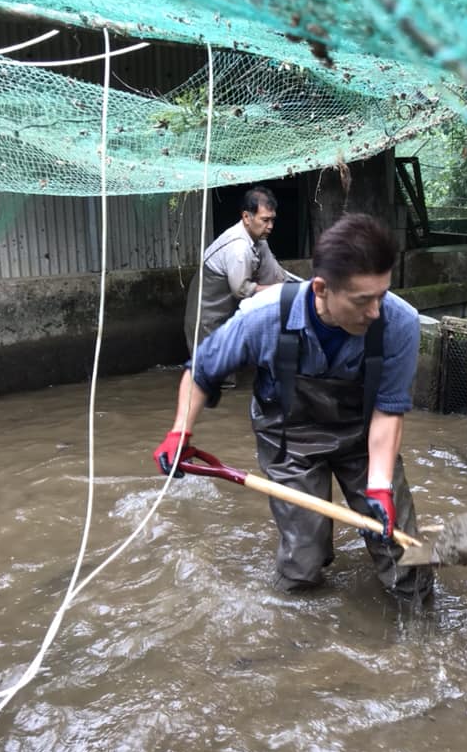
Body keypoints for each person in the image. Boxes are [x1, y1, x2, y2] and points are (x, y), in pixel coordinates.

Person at [154, 212, 434, 604]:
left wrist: (380, 487)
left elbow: (389, 410)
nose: (375, 311)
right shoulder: (263, 316)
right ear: (321, 289)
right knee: (304, 560)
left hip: (363, 437)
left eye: (381, 295)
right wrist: (179, 432)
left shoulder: (399, 322)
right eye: (361, 300)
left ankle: (419, 628)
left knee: (405, 554)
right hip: (290, 438)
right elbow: (202, 372)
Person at [183, 185, 286, 355]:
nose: (270, 226)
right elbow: (242, 291)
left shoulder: (260, 240)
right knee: (210, 367)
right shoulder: (238, 247)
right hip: (206, 313)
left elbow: (275, 275)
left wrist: (298, 290)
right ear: (246, 217)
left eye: (272, 220)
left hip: (227, 311)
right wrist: (278, 291)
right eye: (265, 220)